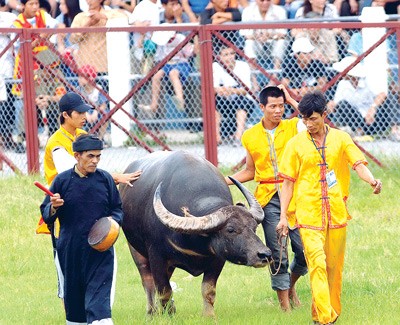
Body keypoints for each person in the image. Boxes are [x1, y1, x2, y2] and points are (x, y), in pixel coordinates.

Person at [277, 91, 382, 324]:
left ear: (325, 114)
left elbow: (358, 164)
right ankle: (327, 319)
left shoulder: (341, 138)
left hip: (335, 212)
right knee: (316, 262)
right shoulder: (295, 144)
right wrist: (283, 216)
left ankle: (322, 314)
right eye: (304, 119)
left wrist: (373, 181)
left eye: (313, 119)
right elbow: (287, 183)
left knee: (334, 267)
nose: (308, 124)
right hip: (307, 213)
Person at [225, 85, 307, 311]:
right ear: (262, 107)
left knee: (304, 250)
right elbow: (250, 171)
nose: (278, 110)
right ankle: (284, 307)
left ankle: (290, 286)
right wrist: (222, 180)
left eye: (281, 106)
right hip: (268, 199)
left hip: (296, 196)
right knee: (277, 249)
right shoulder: (250, 136)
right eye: (273, 106)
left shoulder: (293, 127)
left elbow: (312, 118)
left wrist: (291, 99)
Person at [40, 134, 123, 324]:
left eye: (98, 156)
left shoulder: (106, 180)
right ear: (77, 156)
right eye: (90, 156)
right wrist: (54, 206)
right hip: (71, 250)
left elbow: (117, 209)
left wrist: (112, 221)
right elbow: (46, 214)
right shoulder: (61, 181)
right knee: (76, 311)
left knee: (99, 309)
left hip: (100, 251)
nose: (95, 161)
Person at [327, 56, 387, 137]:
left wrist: (373, 108)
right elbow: (338, 103)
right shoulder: (342, 84)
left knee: (387, 102)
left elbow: (382, 94)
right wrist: (332, 104)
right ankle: (358, 130)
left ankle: (387, 129)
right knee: (342, 104)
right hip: (354, 120)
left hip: (372, 118)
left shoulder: (367, 81)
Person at [213, 44, 255, 145]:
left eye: (232, 53)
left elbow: (247, 90)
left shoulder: (243, 66)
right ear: (220, 57)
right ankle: (216, 138)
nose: (230, 57)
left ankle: (238, 137)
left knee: (242, 103)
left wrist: (231, 90)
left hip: (241, 98)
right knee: (213, 103)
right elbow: (214, 88)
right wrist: (222, 90)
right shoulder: (216, 66)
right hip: (224, 99)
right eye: (226, 54)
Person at [240, 0, 288, 70]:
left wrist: (269, 35)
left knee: (281, 41)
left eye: (268, 0)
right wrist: (257, 36)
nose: (265, 3)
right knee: (249, 42)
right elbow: (245, 34)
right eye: (262, 0)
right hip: (256, 43)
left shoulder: (279, 10)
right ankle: (253, 78)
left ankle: (275, 75)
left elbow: (283, 33)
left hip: (273, 42)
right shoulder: (247, 11)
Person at [76, 64, 109, 142]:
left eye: (81, 77)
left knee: (106, 114)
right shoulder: (79, 90)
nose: (78, 79)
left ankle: (100, 139)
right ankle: (82, 139)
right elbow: (77, 106)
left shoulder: (98, 89)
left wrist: (96, 112)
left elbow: (103, 105)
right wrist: (85, 114)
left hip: (95, 112)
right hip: (83, 113)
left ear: (91, 78)